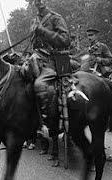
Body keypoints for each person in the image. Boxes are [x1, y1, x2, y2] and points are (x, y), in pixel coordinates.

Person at [29, 0, 70, 161]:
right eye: (35, 1)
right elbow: (33, 44)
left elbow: (65, 40)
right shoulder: (34, 20)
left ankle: (48, 125)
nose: (38, 3)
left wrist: (42, 31)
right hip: (36, 58)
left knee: (40, 85)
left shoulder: (55, 18)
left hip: (54, 60)